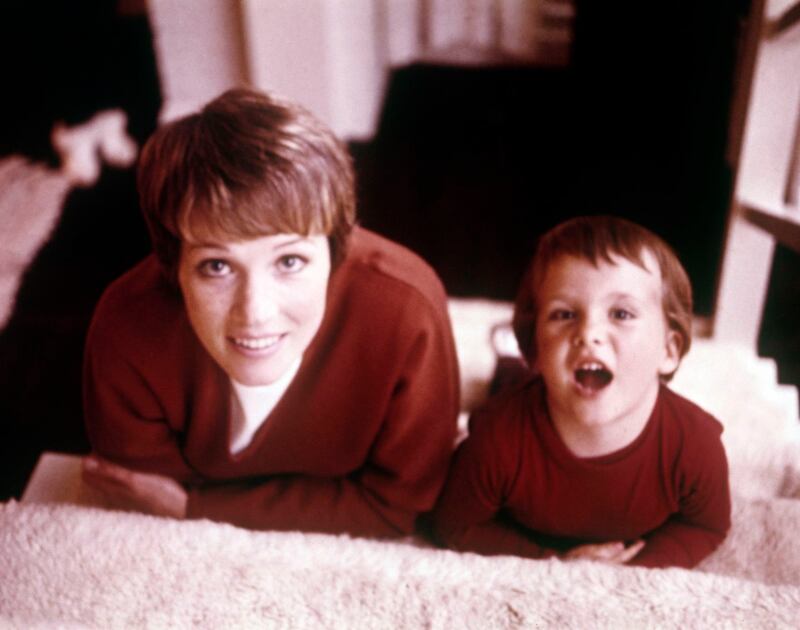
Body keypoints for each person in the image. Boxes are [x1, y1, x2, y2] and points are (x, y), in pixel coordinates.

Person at [81, 87, 460, 538]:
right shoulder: (126, 328)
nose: (255, 312)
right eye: (217, 266)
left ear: (336, 249)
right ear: (173, 265)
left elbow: (397, 507)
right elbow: (140, 498)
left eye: (289, 261)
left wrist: (194, 506)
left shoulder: (407, 312)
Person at [431, 215, 730, 568]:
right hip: (521, 392)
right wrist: (555, 561)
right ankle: (508, 363)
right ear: (535, 349)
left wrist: (638, 568)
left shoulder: (695, 445)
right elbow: (456, 526)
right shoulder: (497, 438)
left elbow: (707, 526)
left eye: (621, 313)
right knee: (507, 384)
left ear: (668, 351)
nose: (588, 333)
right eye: (564, 314)